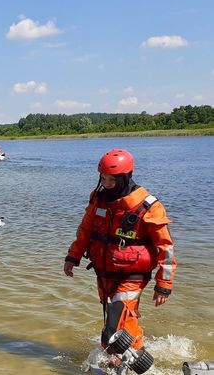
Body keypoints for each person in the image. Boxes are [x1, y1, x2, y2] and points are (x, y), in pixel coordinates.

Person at [63, 149, 176, 355]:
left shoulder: (148, 207)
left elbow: (166, 248)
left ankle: (137, 356)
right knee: (115, 322)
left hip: (132, 275)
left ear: (125, 178)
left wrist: (164, 284)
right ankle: (118, 355)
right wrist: (73, 256)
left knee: (117, 318)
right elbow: (85, 230)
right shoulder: (98, 198)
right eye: (103, 178)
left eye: (111, 181)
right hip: (104, 273)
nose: (106, 184)